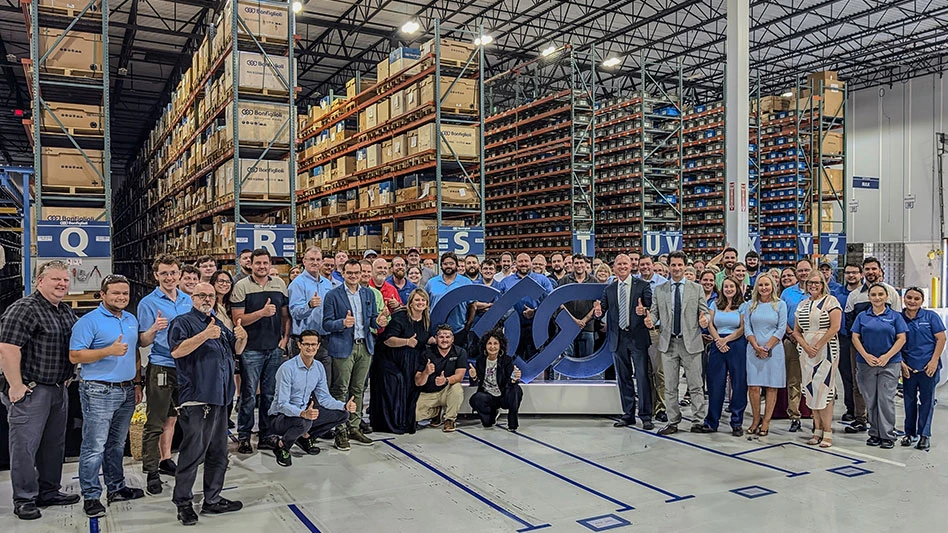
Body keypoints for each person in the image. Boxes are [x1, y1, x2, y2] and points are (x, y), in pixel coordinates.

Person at [0, 261, 79, 520]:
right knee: (25, 446)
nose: (61, 284)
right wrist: (16, 386)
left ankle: (49, 491)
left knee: (53, 445)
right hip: (32, 390)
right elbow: (8, 349)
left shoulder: (64, 311)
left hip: (58, 389)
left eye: (65, 280)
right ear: (39, 281)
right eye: (55, 279)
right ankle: (24, 498)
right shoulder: (24, 309)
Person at [168, 282, 247, 525]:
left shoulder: (219, 323)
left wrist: (242, 339)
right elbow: (176, 352)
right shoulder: (183, 322)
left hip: (221, 398)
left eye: (211, 295)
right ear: (192, 297)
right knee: (192, 454)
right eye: (201, 295)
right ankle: (183, 503)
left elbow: (236, 349)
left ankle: (213, 499)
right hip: (198, 399)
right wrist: (204, 335)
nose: (207, 299)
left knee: (218, 453)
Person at [70, 275, 147, 517]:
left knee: (116, 445)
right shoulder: (88, 321)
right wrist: (108, 351)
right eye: (115, 293)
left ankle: (116, 487)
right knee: (94, 446)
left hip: (126, 390)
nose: (121, 297)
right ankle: (91, 495)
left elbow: (134, 351)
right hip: (98, 390)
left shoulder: (131, 318)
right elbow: (75, 356)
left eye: (125, 293)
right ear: (102, 295)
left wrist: (137, 383)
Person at [138, 254, 193, 495]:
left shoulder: (187, 300)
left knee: (176, 417)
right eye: (164, 274)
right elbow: (142, 341)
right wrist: (153, 329)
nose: (169, 278)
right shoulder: (148, 303)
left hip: (186, 366)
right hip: (162, 365)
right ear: (156, 276)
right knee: (156, 421)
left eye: (173, 273)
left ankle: (166, 459)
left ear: (179, 274)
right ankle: (151, 471)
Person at [230, 248, 291, 454]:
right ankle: (245, 436)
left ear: (270, 264)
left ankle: (266, 434)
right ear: (250, 265)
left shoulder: (279, 284)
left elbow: (285, 315)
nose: (262, 267)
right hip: (251, 350)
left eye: (265, 263)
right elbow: (237, 319)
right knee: (248, 394)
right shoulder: (241, 286)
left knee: (269, 395)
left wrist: (284, 339)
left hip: (274, 348)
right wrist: (261, 313)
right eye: (258, 263)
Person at [268, 330, 356, 467]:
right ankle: (281, 445)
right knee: (305, 422)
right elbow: (281, 404)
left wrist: (344, 406)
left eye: (313, 344)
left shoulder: (319, 367)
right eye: (306, 344)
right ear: (299, 345)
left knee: (343, 415)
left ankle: (305, 436)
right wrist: (302, 413)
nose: (310, 348)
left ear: (318, 346)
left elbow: (325, 398)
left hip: (304, 415)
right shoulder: (287, 368)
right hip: (280, 418)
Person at [323, 259, 386, 450]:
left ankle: (354, 426)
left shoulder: (368, 293)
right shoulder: (333, 295)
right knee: (340, 390)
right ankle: (340, 429)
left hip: (364, 347)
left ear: (361, 274)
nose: (353, 276)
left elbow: (373, 320)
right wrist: (342, 323)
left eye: (356, 273)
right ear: (343, 273)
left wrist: (380, 321)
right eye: (349, 273)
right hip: (343, 347)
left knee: (358, 389)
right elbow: (326, 324)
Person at [645, 252, 710, 434]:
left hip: (691, 343)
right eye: (673, 265)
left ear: (684, 266)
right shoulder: (660, 289)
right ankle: (673, 421)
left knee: (696, 385)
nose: (677, 268)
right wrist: (650, 319)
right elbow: (655, 312)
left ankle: (698, 420)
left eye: (680, 265)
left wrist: (705, 318)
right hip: (668, 342)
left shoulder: (696, 288)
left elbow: (705, 311)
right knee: (670, 386)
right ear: (669, 267)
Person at [843, 256, 902, 434]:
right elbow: (849, 322)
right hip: (860, 348)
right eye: (867, 269)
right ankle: (861, 418)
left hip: (887, 349)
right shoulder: (854, 295)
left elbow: (898, 322)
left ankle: (884, 427)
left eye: (873, 269)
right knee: (858, 384)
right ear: (863, 272)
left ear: (879, 271)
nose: (870, 272)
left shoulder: (891, 292)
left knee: (884, 392)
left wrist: (890, 351)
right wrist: (861, 346)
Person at [594, 254, 654, 429]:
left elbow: (650, 306)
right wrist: (598, 311)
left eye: (625, 264)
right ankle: (628, 414)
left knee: (642, 377)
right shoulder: (609, 289)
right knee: (624, 377)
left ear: (631, 266)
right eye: (619, 264)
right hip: (618, 338)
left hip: (637, 337)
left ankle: (645, 415)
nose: (622, 266)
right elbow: (602, 308)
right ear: (614, 267)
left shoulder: (643, 285)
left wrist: (644, 310)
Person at [851, 283, 908, 449]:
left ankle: (888, 435)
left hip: (889, 363)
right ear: (869, 297)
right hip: (866, 363)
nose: (877, 297)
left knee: (885, 399)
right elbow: (855, 337)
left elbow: (901, 338)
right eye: (873, 294)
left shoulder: (895, 316)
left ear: (886, 297)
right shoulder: (862, 316)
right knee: (870, 399)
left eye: (880, 294)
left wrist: (886, 357)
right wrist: (865, 355)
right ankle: (874, 433)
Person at [792, 273, 842, 448]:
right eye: (810, 282)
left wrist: (818, 344)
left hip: (826, 350)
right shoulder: (803, 304)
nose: (813, 285)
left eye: (816, 282)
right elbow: (797, 330)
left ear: (823, 283)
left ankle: (828, 431)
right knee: (810, 389)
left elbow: (835, 326)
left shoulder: (831, 301)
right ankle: (817, 429)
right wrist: (805, 346)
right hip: (806, 351)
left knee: (824, 389)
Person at [373, 289, 433, 434]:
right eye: (417, 300)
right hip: (390, 359)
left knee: (412, 386)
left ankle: (406, 421)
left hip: (411, 361)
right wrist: (406, 341)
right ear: (410, 303)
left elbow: (425, 338)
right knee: (397, 381)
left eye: (423, 300)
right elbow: (388, 340)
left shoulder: (425, 320)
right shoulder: (400, 317)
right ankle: (391, 423)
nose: (420, 303)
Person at [900, 287, 945, 450]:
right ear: (903, 298)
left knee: (926, 401)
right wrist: (901, 363)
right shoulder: (899, 318)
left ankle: (924, 435)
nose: (912, 301)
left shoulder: (930, 317)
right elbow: (895, 341)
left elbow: (941, 339)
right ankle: (909, 433)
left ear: (922, 301)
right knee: (909, 401)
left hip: (928, 367)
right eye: (909, 297)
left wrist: (934, 361)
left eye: (916, 298)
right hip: (908, 368)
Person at [744, 274, 788, 437]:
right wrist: (756, 346)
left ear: (773, 286)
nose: (764, 288)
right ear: (756, 287)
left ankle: (766, 422)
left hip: (774, 351)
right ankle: (756, 419)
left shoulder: (780, 305)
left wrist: (767, 347)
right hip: (753, 350)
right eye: (761, 285)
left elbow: (781, 328)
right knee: (754, 387)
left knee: (771, 387)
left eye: (767, 285)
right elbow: (747, 328)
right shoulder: (750, 305)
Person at [703, 277, 747, 436]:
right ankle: (711, 421)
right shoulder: (714, 304)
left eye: (732, 286)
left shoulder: (743, 306)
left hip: (736, 344)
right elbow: (710, 324)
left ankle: (736, 421)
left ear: (737, 288)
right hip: (717, 345)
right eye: (726, 286)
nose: (728, 289)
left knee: (738, 384)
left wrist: (726, 340)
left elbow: (743, 327)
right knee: (715, 384)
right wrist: (718, 340)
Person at [497, 253, 555, 362]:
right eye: (521, 261)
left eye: (526, 261)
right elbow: (500, 305)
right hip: (513, 328)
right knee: (513, 359)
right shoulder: (505, 282)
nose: (524, 264)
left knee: (534, 360)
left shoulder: (543, 280)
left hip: (536, 327)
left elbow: (550, 302)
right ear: (515, 263)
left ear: (531, 263)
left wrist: (535, 312)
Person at [287, 247, 334, 378]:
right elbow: (295, 312)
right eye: (311, 259)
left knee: (324, 383)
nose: (315, 262)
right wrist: (309, 306)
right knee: (302, 383)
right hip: (303, 342)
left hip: (323, 341)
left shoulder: (327, 284)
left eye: (318, 260)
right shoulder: (297, 284)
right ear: (304, 261)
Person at [414, 325, 468, 432]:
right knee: (413, 414)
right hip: (428, 392)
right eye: (441, 337)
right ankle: (435, 412)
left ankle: (450, 419)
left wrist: (446, 380)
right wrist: (426, 372)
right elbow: (418, 382)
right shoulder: (426, 353)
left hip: (446, 390)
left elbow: (460, 376)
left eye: (447, 337)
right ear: (436, 338)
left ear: (452, 339)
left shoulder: (460, 352)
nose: (444, 340)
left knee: (457, 388)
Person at [468, 328, 523, 431]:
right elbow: (475, 383)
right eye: (489, 343)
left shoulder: (506, 360)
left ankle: (512, 422)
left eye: (495, 344)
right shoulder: (480, 360)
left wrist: (514, 379)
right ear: (485, 345)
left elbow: (509, 383)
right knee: (476, 400)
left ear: (500, 345)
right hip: (488, 396)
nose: (492, 347)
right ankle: (491, 414)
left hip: (503, 395)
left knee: (516, 390)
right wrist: (474, 376)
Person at [780, 258, 811, 433]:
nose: (803, 273)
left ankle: (817, 415)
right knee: (794, 380)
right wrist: (792, 334)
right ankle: (794, 416)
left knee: (815, 379)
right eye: (800, 271)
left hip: (813, 343)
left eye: (806, 270)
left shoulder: (819, 291)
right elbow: (782, 316)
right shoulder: (787, 293)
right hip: (792, 340)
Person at [834, 262, 862, 423]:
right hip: (843, 339)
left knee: (862, 377)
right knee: (847, 376)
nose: (851, 275)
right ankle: (851, 408)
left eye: (855, 272)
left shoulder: (866, 293)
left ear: (861, 274)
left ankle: (864, 411)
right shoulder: (837, 293)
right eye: (848, 273)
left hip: (862, 341)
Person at [559, 254, 598, 362]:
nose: (579, 265)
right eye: (576, 263)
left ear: (586, 264)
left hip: (588, 326)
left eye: (581, 263)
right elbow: (559, 302)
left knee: (587, 359)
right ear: (572, 264)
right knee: (568, 359)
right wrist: (574, 320)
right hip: (568, 326)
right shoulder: (565, 280)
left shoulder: (593, 281)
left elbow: (597, 303)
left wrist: (584, 320)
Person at [425, 253, 474, 336]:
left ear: (457, 265)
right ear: (441, 266)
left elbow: (472, 305)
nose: (448, 266)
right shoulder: (431, 283)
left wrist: (467, 326)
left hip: (459, 330)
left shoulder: (466, 282)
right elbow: (425, 304)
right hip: (435, 330)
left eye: (451, 263)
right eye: (445, 264)